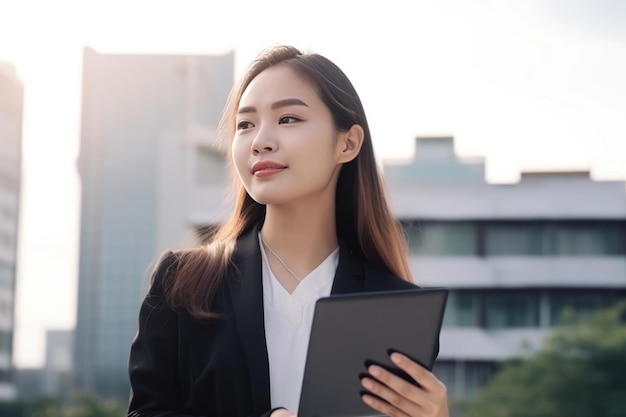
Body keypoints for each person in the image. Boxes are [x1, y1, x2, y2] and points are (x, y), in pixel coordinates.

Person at [127, 45, 449, 417]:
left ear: (348, 143)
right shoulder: (184, 283)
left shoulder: (395, 306)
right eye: (245, 124)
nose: (260, 140)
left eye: (288, 119)